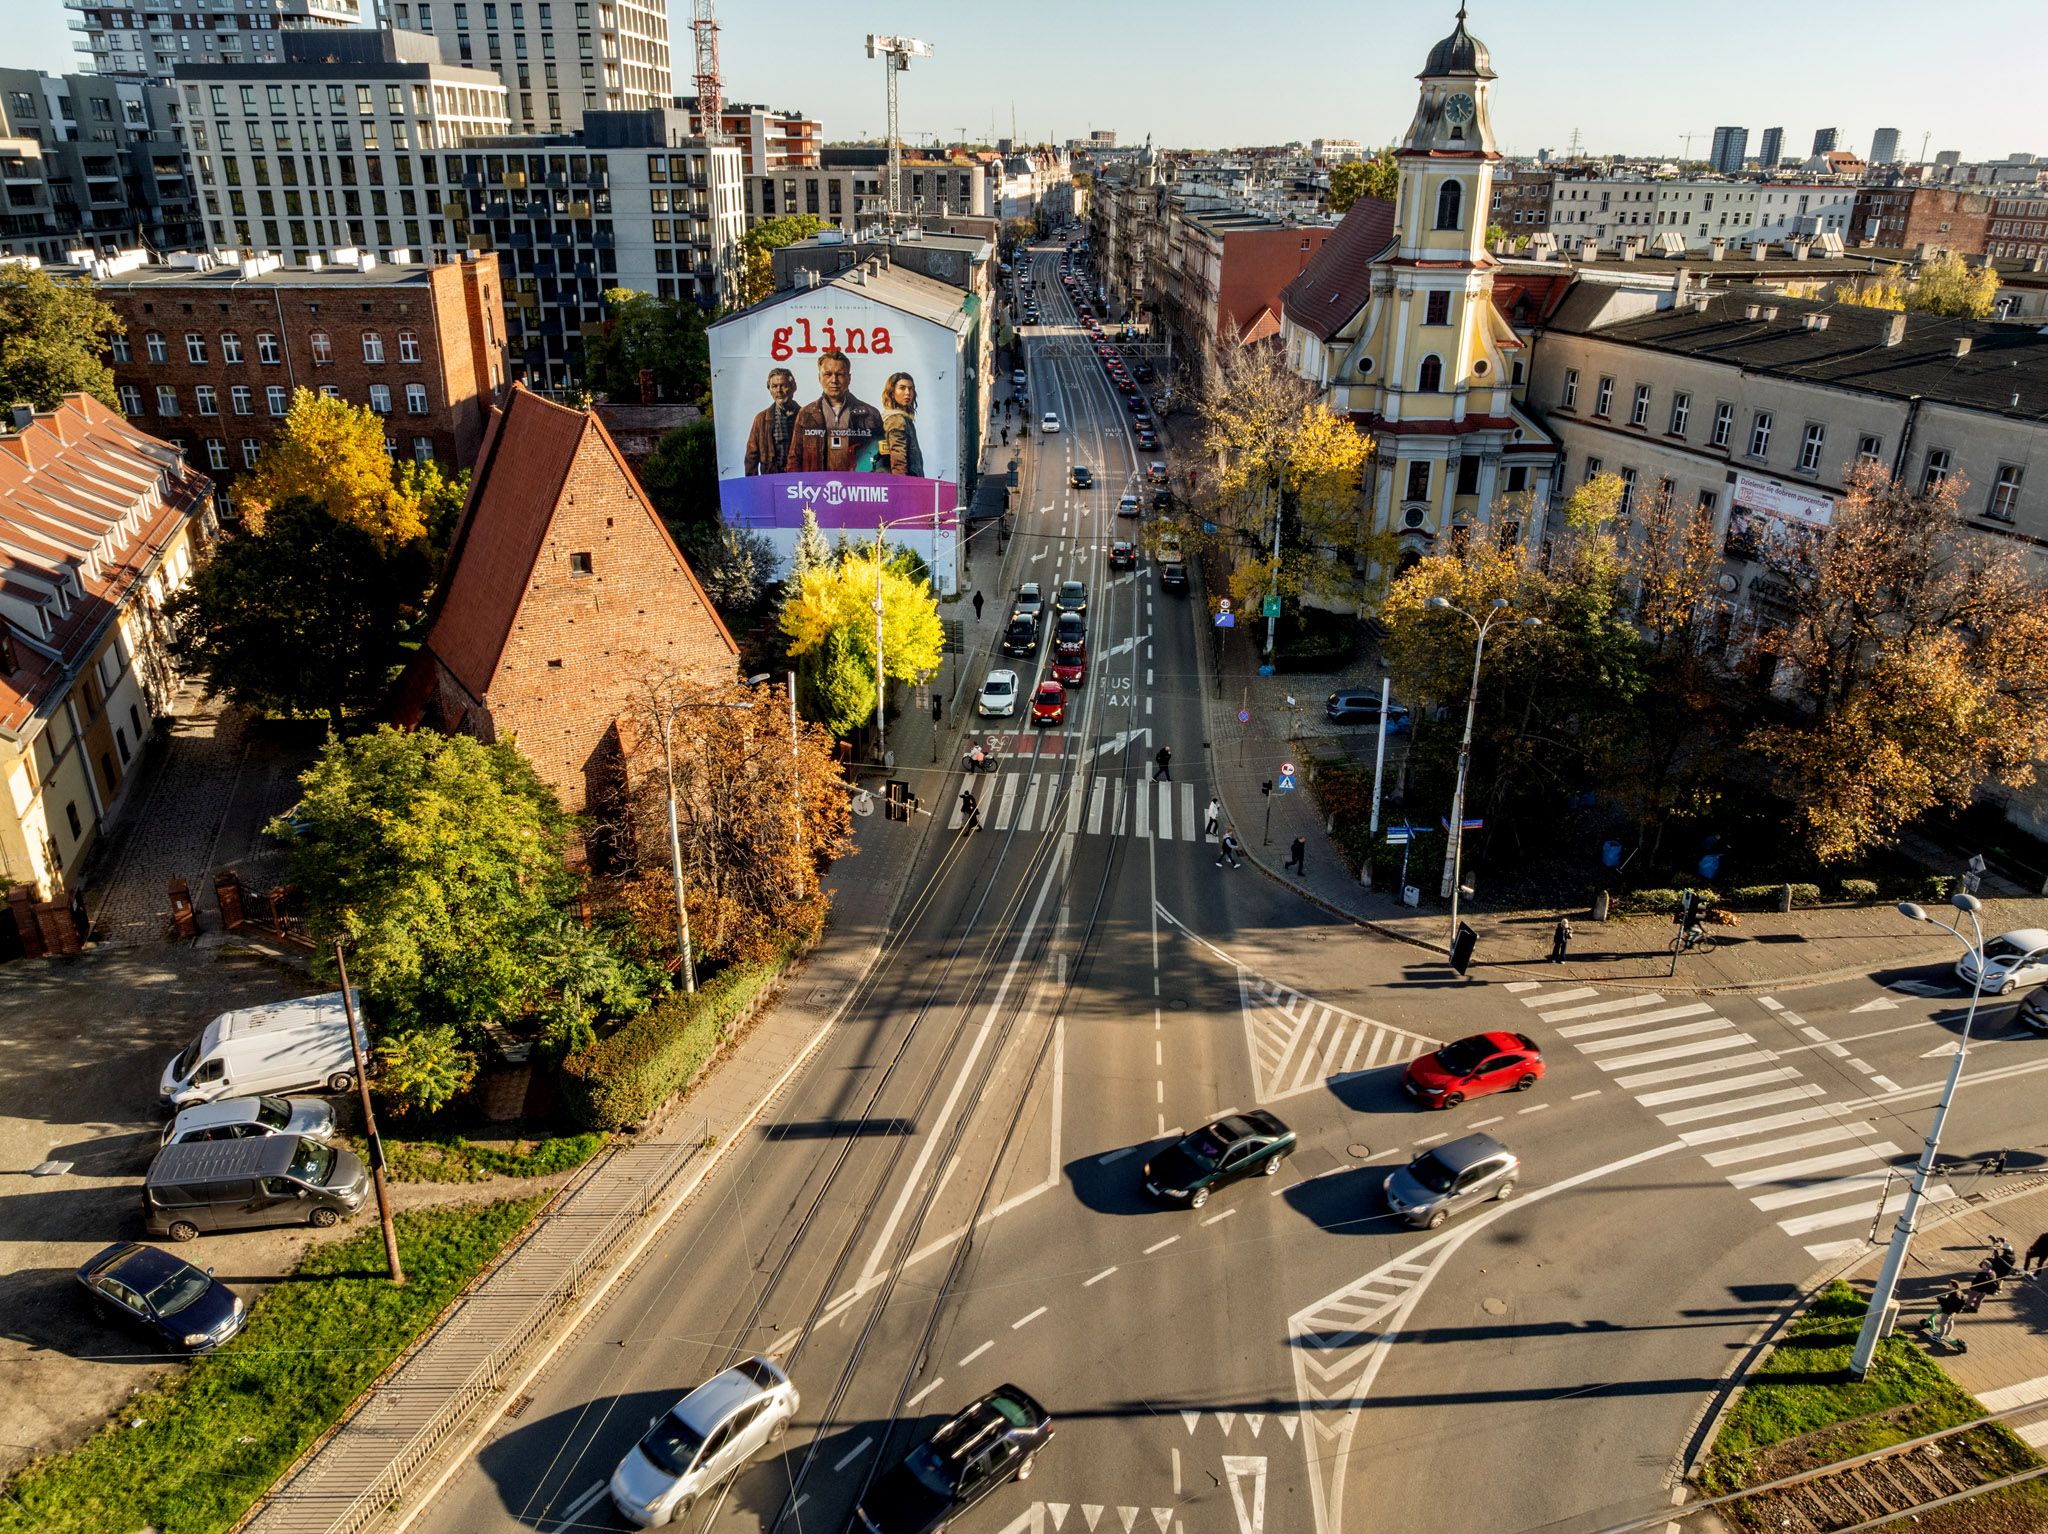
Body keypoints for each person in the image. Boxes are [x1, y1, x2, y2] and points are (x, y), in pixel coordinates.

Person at [786, 349, 883, 472]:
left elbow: (882, 459)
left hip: (857, 489)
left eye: (840, 374)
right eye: (828, 374)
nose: (834, 380)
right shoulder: (806, 414)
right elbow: (794, 460)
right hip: (816, 488)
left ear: (849, 378)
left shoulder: (871, 414)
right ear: (819, 378)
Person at [862, 371, 924, 478]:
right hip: (906, 484)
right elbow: (898, 460)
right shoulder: (897, 420)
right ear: (892, 393)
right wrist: (901, 487)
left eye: (911, 388)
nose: (908, 393)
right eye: (902, 388)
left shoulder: (890, 417)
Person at [743, 367, 801, 476]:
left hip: (798, 481)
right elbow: (751, 456)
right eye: (774, 386)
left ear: (793, 387)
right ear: (769, 389)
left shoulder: (806, 417)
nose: (778, 390)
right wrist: (753, 485)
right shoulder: (761, 419)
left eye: (783, 385)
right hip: (771, 479)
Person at [1923, 1279, 1969, 1344]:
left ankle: (1939, 1337)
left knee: (1942, 1324)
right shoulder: (1959, 1292)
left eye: (1950, 1285)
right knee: (1950, 1321)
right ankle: (1947, 1333)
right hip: (1952, 1311)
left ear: (1953, 1286)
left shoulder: (1954, 1294)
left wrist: (1940, 1299)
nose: (1948, 1285)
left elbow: (1948, 1303)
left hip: (1947, 1311)